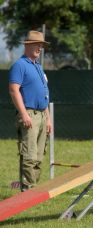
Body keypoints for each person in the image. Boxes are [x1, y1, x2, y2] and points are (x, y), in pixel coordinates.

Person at [9, 30, 52, 191]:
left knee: (39, 156)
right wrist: (24, 114)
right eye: (37, 45)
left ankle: (32, 189)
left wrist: (48, 118)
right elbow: (14, 90)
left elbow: (44, 95)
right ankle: (29, 190)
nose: (40, 48)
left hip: (41, 114)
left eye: (41, 45)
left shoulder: (38, 67)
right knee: (29, 155)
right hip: (29, 114)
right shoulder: (19, 65)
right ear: (27, 45)